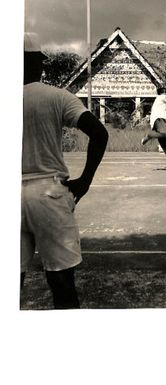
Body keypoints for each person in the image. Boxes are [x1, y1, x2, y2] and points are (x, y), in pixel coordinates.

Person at [21, 32, 108, 309]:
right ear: (38, 63)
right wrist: (84, 181)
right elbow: (99, 132)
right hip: (49, 194)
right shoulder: (57, 97)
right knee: (61, 282)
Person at [141, 87, 166, 169]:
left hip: (156, 121)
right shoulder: (160, 97)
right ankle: (150, 135)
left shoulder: (160, 105)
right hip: (158, 120)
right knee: (165, 133)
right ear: (163, 92)